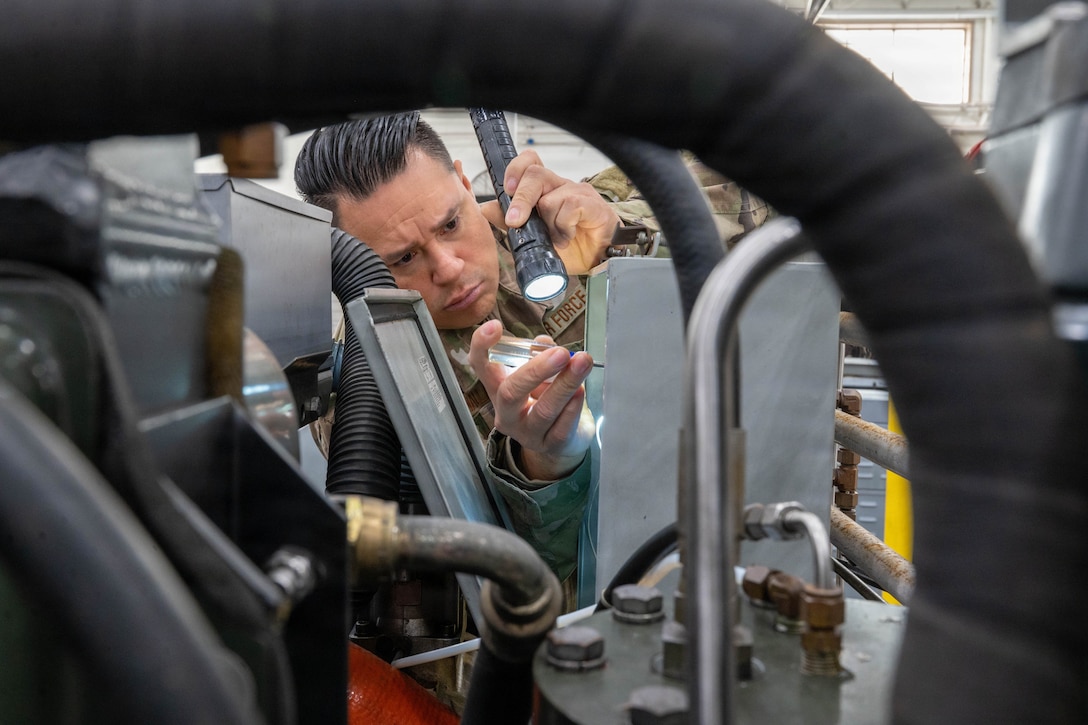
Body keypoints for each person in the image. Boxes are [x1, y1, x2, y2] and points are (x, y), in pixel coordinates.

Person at [295, 112, 773, 586]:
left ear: (464, 181)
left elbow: (764, 167)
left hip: (736, 515)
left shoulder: (561, 223)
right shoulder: (362, 395)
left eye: (450, 224)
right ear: (349, 261)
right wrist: (543, 467)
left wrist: (626, 236)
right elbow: (488, 584)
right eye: (403, 258)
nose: (449, 268)